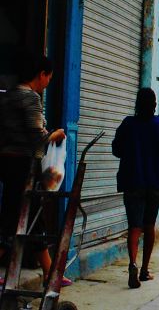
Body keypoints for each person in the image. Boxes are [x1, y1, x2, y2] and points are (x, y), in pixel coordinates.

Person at [0, 53, 69, 287]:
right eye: (49, 77)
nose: (48, 82)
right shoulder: (30, 98)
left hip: (7, 163)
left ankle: (52, 274)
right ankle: (52, 276)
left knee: (22, 218)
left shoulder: (8, 96)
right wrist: (57, 134)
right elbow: (38, 138)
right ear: (41, 74)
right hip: (23, 166)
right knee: (18, 220)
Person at [112, 87, 159, 288]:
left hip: (133, 180)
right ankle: (145, 269)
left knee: (134, 226)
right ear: (154, 105)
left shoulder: (128, 124)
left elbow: (116, 149)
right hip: (155, 181)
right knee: (149, 225)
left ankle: (132, 264)